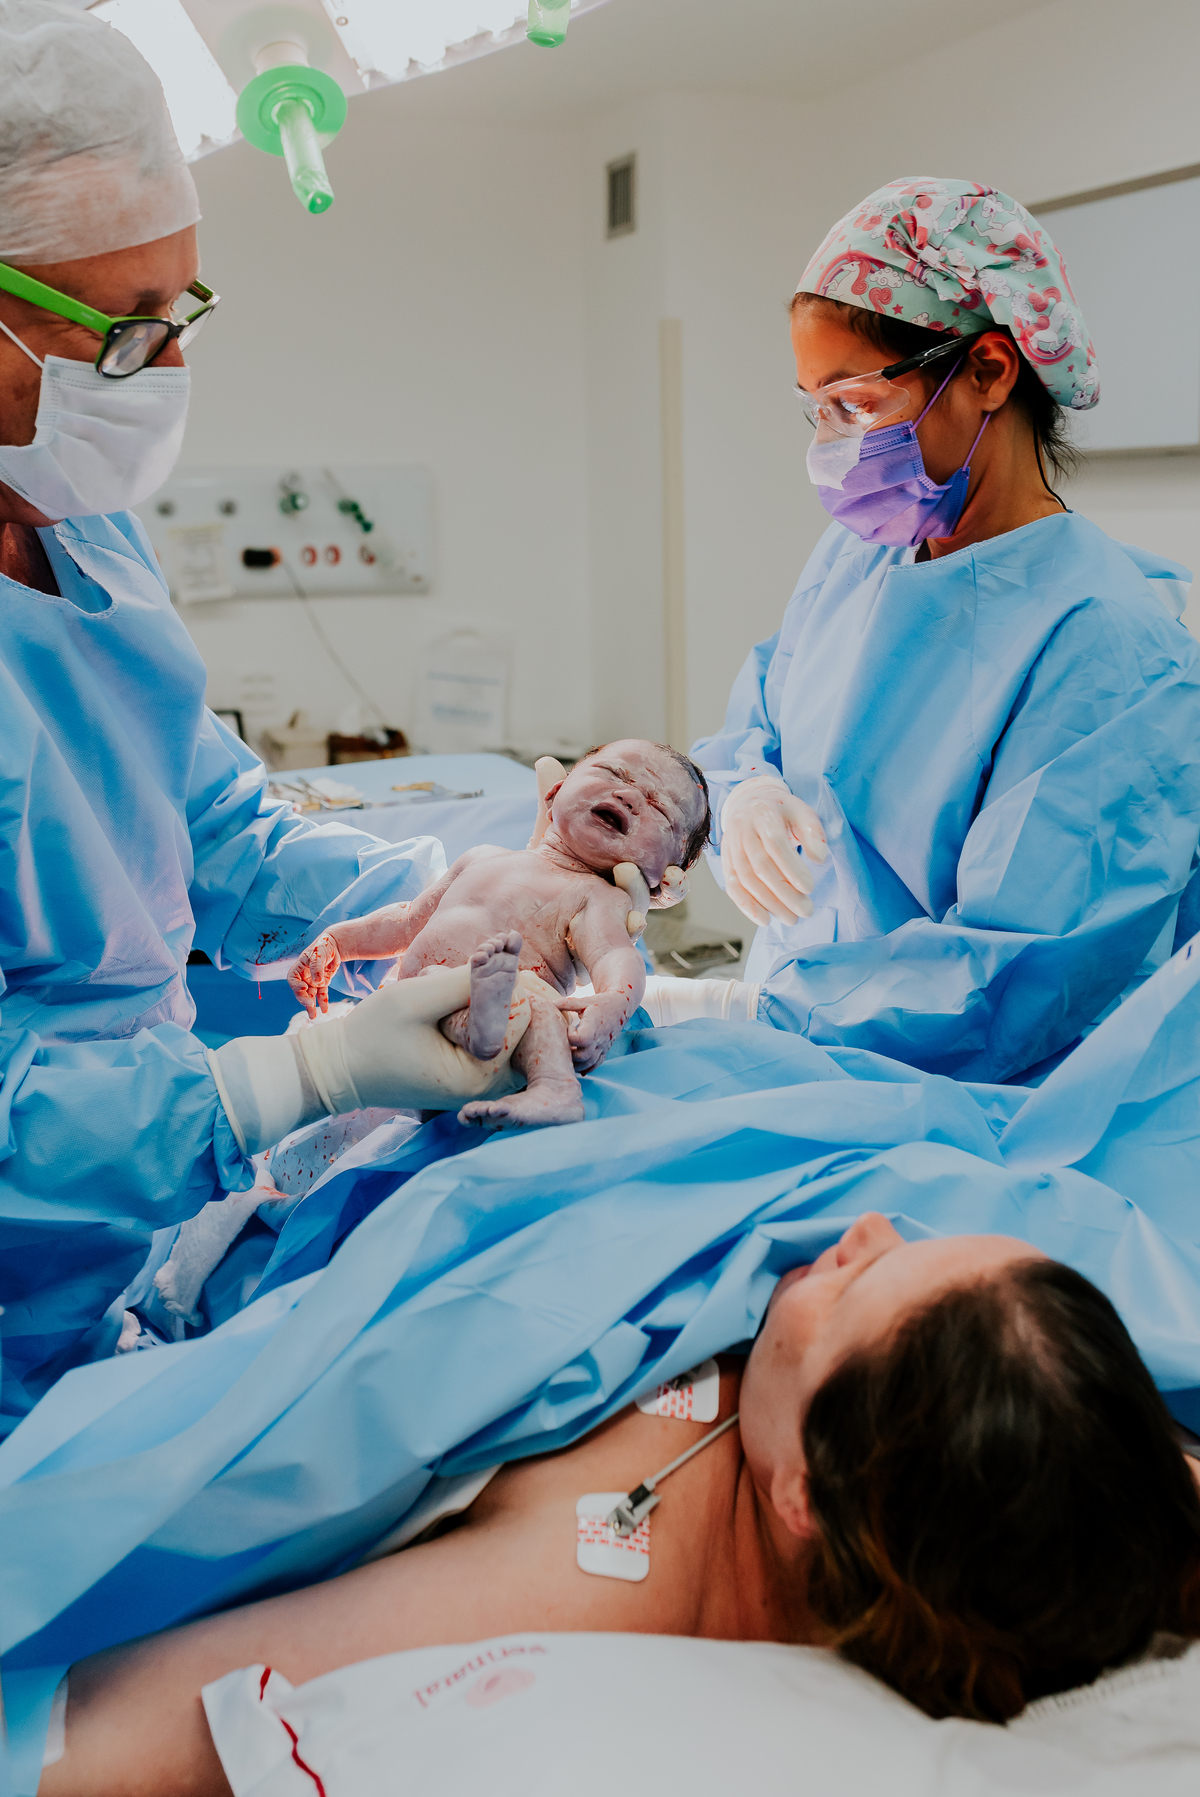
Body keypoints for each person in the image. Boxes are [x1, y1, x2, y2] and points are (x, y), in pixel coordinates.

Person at [0, 0, 538, 1431]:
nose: (165, 374)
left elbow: (208, 820)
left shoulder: (79, 519)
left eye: (181, 316)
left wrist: (443, 889)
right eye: (120, 336)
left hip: (116, 1263)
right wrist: (288, 1078)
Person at [40, 1213, 1200, 1795]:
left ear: (806, 1495)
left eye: (859, 1280)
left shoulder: (581, 1577)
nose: (866, 1229)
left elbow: (96, 1738)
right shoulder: (1082, 1464)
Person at [691, 177, 1200, 1085]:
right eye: (815, 409)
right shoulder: (860, 561)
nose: (832, 446)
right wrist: (743, 794)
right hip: (794, 1052)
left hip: (962, 1108)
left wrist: (751, 1012)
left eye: (855, 404)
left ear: (989, 372)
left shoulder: (1107, 646)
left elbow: (1019, 976)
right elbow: (756, 722)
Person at [287, 742, 712, 1126]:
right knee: (338, 1072)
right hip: (409, 1024)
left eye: (661, 809)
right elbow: (407, 920)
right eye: (613, 774)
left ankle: (553, 1086)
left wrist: (612, 1003)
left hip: (509, 1042)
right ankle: (478, 1016)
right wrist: (340, 941)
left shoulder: (595, 897)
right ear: (554, 793)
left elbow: (615, 956)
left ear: (667, 874)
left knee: (539, 1009)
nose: (629, 795)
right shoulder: (483, 857)